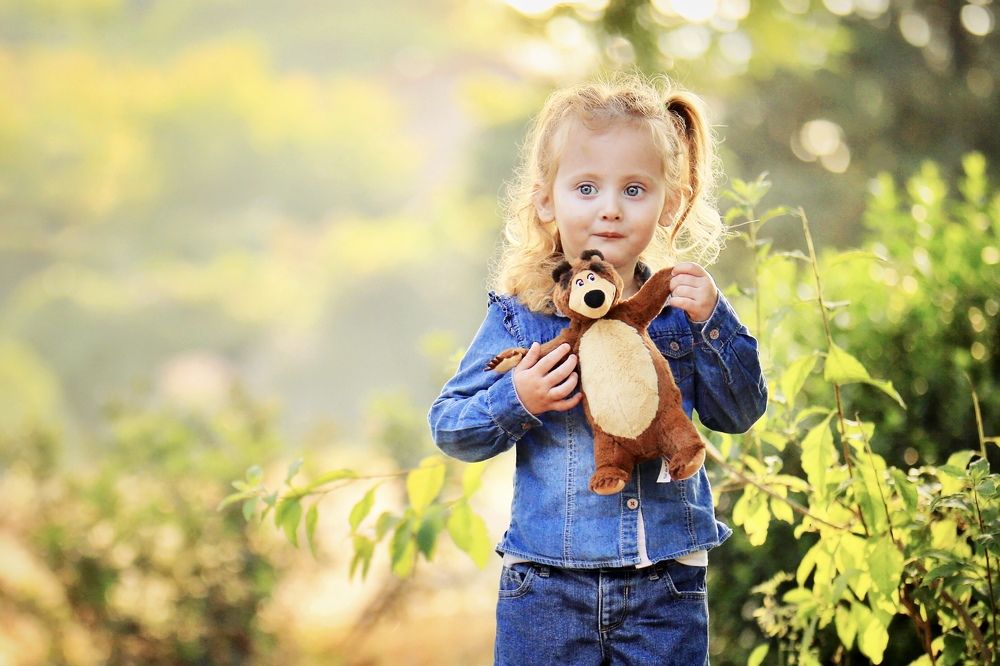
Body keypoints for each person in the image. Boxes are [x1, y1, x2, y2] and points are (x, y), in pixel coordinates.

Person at [427, 73, 767, 665]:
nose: (610, 209)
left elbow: (739, 413)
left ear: (671, 204)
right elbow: (450, 427)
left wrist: (715, 319)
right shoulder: (521, 318)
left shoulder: (680, 311)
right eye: (586, 188)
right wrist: (519, 398)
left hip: (666, 583)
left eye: (635, 190)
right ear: (545, 200)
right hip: (547, 588)